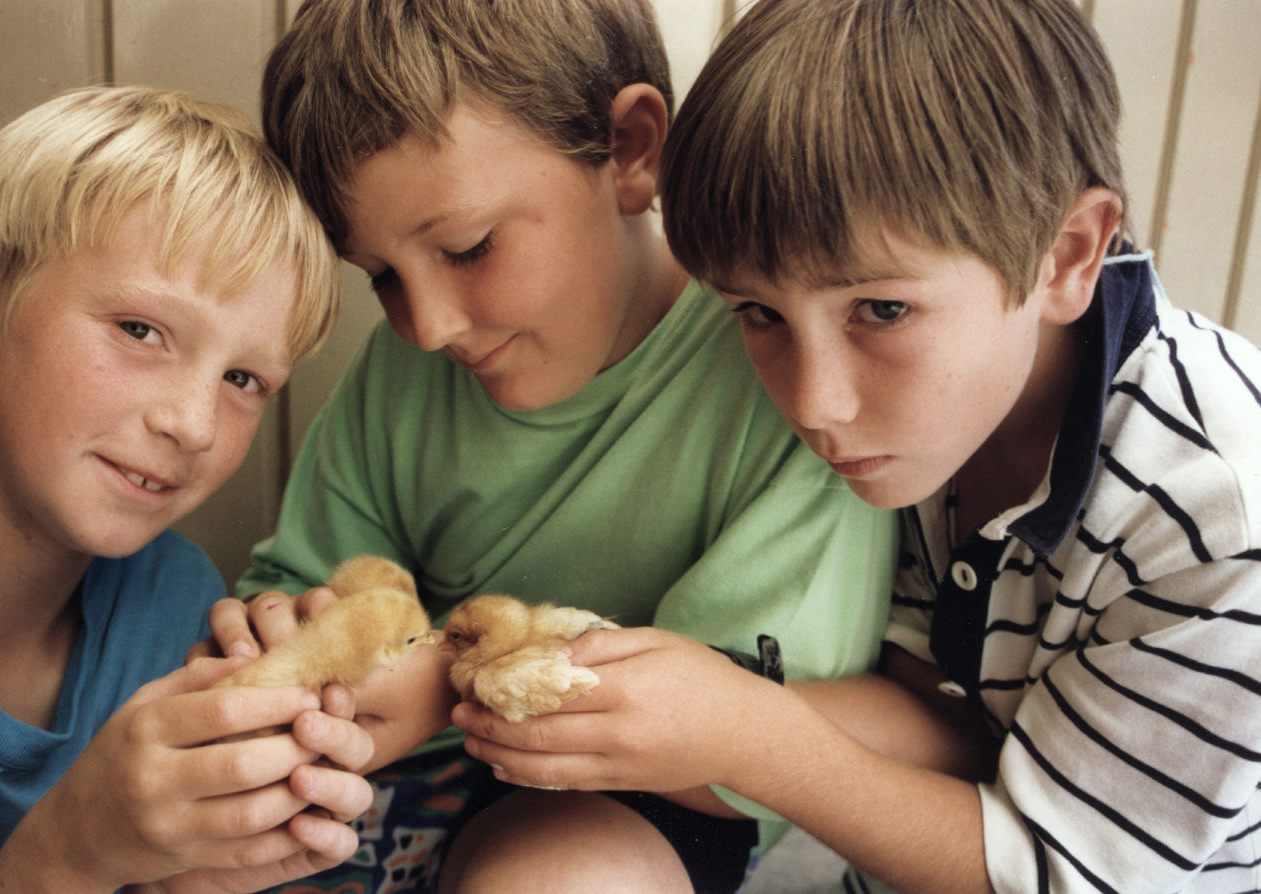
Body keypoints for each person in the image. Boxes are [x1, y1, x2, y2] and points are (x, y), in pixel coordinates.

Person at [451, 0, 1261, 891]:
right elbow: (935, 713)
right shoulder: (933, 422)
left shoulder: (1218, 516)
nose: (813, 402)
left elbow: (1053, 876)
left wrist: (752, 736)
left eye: (881, 310)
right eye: (758, 313)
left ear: (1066, 255)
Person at [218, 0, 900, 890]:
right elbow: (309, 580)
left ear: (629, 151)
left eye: (467, 247)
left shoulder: (775, 369)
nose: (424, 326)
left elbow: (729, 732)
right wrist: (288, 632)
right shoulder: (404, 370)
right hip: (386, 777)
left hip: (644, 797)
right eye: (380, 275)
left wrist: (441, 685)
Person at [0, 85, 378, 894]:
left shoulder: (174, 604)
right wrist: (73, 852)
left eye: (244, 378)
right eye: (141, 331)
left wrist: (188, 881)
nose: (195, 425)